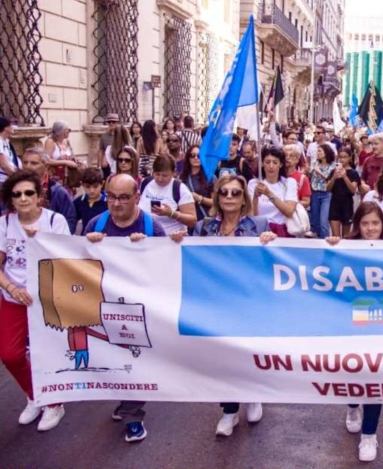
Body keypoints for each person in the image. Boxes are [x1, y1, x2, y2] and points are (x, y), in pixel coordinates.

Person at [175, 174, 273, 435]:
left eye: (236, 193)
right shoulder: (204, 227)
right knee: (223, 356)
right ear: (217, 197)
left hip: (248, 301)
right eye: (224, 192)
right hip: (216, 302)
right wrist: (176, 242)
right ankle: (229, 411)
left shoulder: (259, 224)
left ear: (243, 199)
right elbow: (190, 257)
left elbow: (276, 259)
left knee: (246, 352)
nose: (229, 197)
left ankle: (252, 394)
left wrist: (271, 241)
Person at [325, 201, 383, 462]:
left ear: (382, 225)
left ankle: (369, 434)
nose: (370, 228)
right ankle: (353, 405)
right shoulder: (346, 247)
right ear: (357, 225)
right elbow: (323, 274)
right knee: (352, 371)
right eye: (365, 223)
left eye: (375, 223)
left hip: (381, 323)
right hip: (350, 322)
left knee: (376, 377)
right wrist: (331, 248)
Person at [84, 174, 168, 442]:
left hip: (140, 307)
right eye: (111, 197)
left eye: (123, 197)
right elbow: (77, 263)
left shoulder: (152, 227)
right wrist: (89, 245)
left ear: (137, 198)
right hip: (105, 304)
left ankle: (133, 416)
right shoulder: (96, 224)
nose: (116, 203)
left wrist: (147, 249)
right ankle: (125, 398)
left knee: (135, 358)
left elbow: (167, 267)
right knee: (114, 356)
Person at [0, 170, 70, 432]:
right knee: (10, 354)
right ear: (10, 198)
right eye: (17, 194)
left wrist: (39, 241)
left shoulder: (55, 221)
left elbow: (67, 260)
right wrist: (12, 288)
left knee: (48, 354)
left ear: (39, 195)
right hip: (14, 299)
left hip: (47, 300)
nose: (23, 198)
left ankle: (54, 403)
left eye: (29, 192)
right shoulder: (4, 224)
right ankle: (35, 395)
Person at [21, 148, 77, 234]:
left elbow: (70, 220)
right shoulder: (14, 189)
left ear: (46, 166)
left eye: (34, 163)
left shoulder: (58, 192)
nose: (28, 167)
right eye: (25, 163)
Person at [138, 154, 197, 235]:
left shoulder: (179, 188)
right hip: (146, 237)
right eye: (157, 174)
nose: (160, 179)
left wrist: (171, 213)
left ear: (173, 172)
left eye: (164, 176)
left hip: (172, 238)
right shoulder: (146, 183)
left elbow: (193, 221)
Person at [248, 147, 298, 236]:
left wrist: (269, 194)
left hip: (281, 230)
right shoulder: (253, 183)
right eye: (267, 162)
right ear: (262, 163)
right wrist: (255, 198)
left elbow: (289, 211)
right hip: (259, 230)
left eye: (275, 162)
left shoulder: (289, 183)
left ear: (280, 164)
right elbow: (251, 215)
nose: (271, 166)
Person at [327, 148, 361, 238]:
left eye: (345, 157)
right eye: (340, 157)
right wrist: (334, 178)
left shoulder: (353, 173)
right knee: (335, 236)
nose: (342, 159)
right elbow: (327, 188)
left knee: (346, 236)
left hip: (347, 204)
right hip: (335, 204)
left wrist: (345, 177)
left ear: (350, 158)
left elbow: (353, 190)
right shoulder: (333, 171)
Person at [179, 145, 214, 228]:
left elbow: (216, 202)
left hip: (206, 220)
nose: (196, 158)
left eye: (199, 156)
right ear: (188, 158)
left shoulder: (210, 177)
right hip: (188, 220)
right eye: (192, 155)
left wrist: (200, 198)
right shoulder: (181, 178)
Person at [310, 144, 337, 238]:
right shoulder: (315, 163)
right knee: (315, 220)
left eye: (319, 151)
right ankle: (318, 241)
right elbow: (310, 177)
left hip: (327, 194)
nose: (317, 153)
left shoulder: (333, 166)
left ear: (326, 152)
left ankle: (325, 241)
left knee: (323, 221)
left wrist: (320, 173)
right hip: (315, 193)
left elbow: (330, 179)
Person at [43, 120, 79, 186]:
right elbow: (47, 160)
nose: (69, 131)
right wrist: (65, 162)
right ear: (60, 131)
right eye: (67, 130)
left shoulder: (66, 141)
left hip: (68, 179)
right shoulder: (50, 142)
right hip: (56, 179)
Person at [73, 167, 108, 234]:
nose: (92, 190)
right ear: (82, 184)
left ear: (102, 184)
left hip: (104, 237)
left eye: (95, 186)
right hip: (85, 237)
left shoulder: (108, 202)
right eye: (88, 187)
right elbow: (72, 219)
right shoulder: (79, 202)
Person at [283, 145, 311, 210]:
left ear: (297, 159)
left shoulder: (302, 178)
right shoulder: (277, 175)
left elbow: (306, 202)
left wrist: (291, 203)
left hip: (294, 212)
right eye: (285, 155)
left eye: (291, 155)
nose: (287, 158)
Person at [0, 117, 19, 206]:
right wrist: (17, 176)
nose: (13, 127)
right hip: (2, 180)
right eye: (11, 125)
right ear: (6, 128)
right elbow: (3, 164)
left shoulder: (6, 141)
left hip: (7, 178)